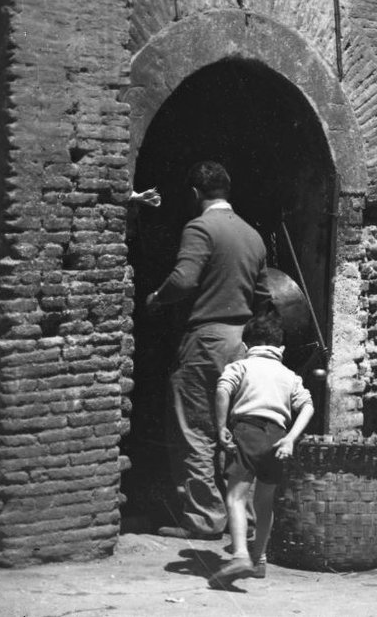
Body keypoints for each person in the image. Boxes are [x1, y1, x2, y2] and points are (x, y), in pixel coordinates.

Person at [147, 161, 270, 539]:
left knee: (195, 429)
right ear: (227, 191)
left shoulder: (200, 227)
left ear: (196, 193)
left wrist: (157, 297)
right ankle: (243, 518)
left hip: (207, 340)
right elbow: (265, 294)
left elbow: (184, 280)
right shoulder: (252, 235)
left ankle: (206, 519)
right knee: (235, 430)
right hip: (242, 343)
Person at [212, 308, 314, 584]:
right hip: (278, 436)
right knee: (265, 502)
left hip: (248, 431)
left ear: (246, 346)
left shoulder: (241, 366)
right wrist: (291, 438)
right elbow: (307, 405)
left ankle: (241, 556)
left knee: (235, 496)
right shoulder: (290, 375)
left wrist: (221, 426)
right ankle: (259, 559)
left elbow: (223, 389)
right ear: (280, 348)